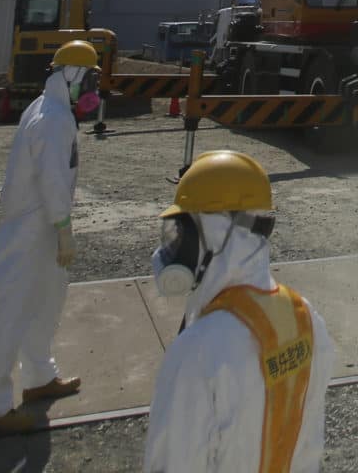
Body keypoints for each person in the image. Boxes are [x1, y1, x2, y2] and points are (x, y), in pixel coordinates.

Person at [144, 149, 335, 473]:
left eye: (182, 231)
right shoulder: (307, 320)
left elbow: (172, 463)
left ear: (216, 233)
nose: (175, 248)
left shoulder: (197, 352)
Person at [0, 39, 98, 434]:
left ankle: (39, 378)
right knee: (10, 312)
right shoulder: (53, 119)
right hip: (31, 227)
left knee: (46, 303)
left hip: (45, 226)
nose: (93, 88)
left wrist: (58, 229)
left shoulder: (53, 111)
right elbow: (53, 179)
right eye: (90, 79)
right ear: (72, 75)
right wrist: (64, 229)